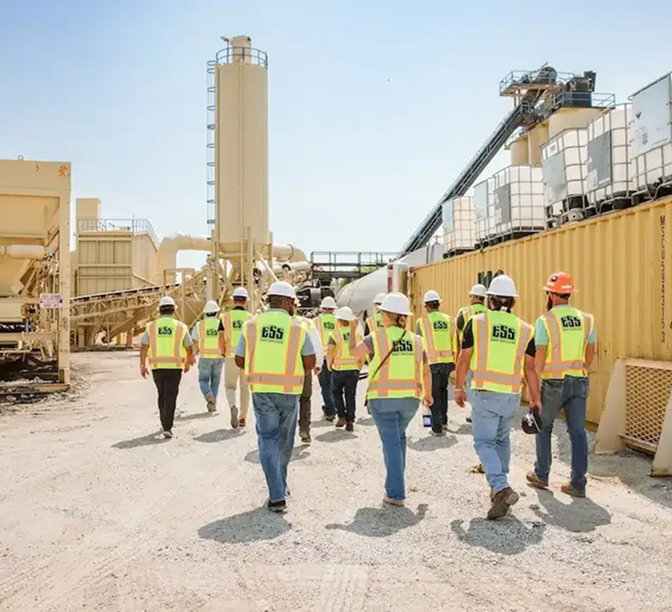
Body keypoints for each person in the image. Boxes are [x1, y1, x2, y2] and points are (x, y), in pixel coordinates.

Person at [454, 275, 541, 520]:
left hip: (484, 393)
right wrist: (535, 399)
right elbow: (530, 368)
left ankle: (501, 487)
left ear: (490, 299)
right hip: (511, 395)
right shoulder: (526, 329)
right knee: (502, 441)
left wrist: (459, 387)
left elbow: (463, 358)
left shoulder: (477, 322)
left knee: (484, 443)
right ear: (513, 301)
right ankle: (498, 489)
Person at [235, 281, 316, 513]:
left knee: (268, 438)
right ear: (285, 301)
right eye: (293, 303)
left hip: (261, 390)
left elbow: (239, 360)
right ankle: (279, 490)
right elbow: (310, 361)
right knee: (285, 441)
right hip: (289, 392)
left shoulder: (251, 326)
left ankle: (277, 492)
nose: (294, 307)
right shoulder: (297, 328)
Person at [348, 293, 432, 506]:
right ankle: (395, 484)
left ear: (387, 315)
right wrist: (428, 395)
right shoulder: (417, 340)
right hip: (410, 400)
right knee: (399, 439)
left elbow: (353, 352)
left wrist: (351, 330)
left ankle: (395, 493)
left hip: (383, 399)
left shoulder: (376, 337)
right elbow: (426, 371)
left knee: (391, 443)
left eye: (382, 312)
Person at [527, 272, 596, 498]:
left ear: (551, 294)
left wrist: (533, 385)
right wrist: (579, 369)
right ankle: (578, 484)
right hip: (579, 380)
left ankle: (542, 474)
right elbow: (590, 353)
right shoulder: (587, 319)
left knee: (544, 427)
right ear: (569, 294)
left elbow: (540, 355)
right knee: (577, 431)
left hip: (554, 381)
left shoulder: (545, 320)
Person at [139, 296, 194, 439]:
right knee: (171, 396)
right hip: (175, 367)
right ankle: (167, 426)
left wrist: (142, 365)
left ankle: (164, 422)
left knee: (161, 394)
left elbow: (144, 347)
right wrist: (187, 362)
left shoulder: (151, 327)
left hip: (157, 367)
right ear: (174, 310)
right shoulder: (181, 327)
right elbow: (189, 347)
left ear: (159, 311)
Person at [416, 290, 457, 436]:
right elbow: (455, 341)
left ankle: (437, 427)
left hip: (431, 363)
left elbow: (418, 344)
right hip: (447, 361)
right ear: (438, 304)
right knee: (443, 391)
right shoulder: (450, 320)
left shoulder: (422, 322)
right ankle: (444, 420)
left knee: (432, 393)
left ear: (426, 306)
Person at [327, 306, 364, 432]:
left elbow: (330, 351)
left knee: (336, 393)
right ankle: (350, 421)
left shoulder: (334, 334)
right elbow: (362, 352)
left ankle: (341, 416)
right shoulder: (357, 334)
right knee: (351, 395)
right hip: (353, 368)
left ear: (338, 320)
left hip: (338, 368)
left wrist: (329, 364)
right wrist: (360, 365)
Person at [456, 283, 488, 423]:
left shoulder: (464, 312)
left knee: (471, 383)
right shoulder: (490, 312)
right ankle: (482, 409)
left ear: (474, 296)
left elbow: (458, 330)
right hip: (485, 354)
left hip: (469, 353)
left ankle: (475, 411)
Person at [222, 287, 252, 428]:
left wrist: (223, 352)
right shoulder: (252, 319)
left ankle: (232, 406)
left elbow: (221, 338)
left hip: (230, 356)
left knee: (230, 386)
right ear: (246, 301)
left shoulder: (225, 317)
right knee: (245, 388)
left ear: (233, 300)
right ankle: (242, 418)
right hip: (247, 358)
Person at [191, 300, 226, 414]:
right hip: (219, 357)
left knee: (203, 380)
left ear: (205, 313)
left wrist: (192, 355)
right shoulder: (221, 323)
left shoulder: (199, 325)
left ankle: (208, 394)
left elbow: (195, 342)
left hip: (205, 357)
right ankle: (213, 404)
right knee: (215, 382)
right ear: (217, 312)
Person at [295, 304, 324, 444]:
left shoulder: (278, 321)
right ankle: (304, 429)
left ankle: (283, 432)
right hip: (303, 365)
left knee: (287, 401)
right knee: (305, 398)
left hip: (282, 368)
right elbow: (315, 344)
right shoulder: (306, 323)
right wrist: (318, 363)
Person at [314, 296, 338, 421]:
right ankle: (337, 407)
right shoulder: (339, 320)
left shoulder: (316, 321)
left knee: (326, 384)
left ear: (323, 308)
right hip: (337, 357)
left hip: (322, 357)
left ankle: (330, 410)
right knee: (337, 385)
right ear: (334, 308)